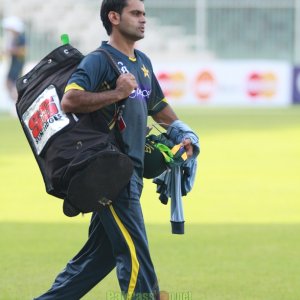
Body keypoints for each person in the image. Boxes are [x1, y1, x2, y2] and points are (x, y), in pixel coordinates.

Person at [34, 0, 198, 299]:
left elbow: (157, 106)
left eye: (144, 14)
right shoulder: (99, 60)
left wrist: (182, 131)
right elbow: (70, 100)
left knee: (102, 257)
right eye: (136, 13)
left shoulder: (143, 62)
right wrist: (118, 93)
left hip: (131, 173)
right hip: (109, 172)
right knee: (135, 252)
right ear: (114, 17)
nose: (143, 19)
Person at [2, 16, 26, 102]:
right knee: (8, 83)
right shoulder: (14, 38)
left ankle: (17, 101)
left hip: (18, 63)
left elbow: (23, 52)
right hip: (14, 63)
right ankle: (15, 102)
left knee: (13, 83)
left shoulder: (21, 38)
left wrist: (11, 50)